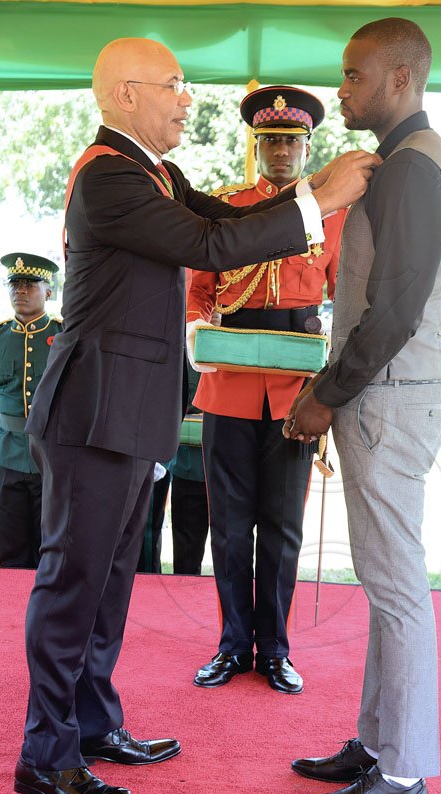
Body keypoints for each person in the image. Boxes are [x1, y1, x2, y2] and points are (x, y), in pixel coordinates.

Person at [14, 36, 379, 794]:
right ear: (125, 96)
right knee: (74, 584)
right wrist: (324, 199)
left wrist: (314, 186)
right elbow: (213, 244)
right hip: (94, 411)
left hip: (130, 408)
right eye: (175, 85)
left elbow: (226, 214)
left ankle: (92, 723)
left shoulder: (157, 172)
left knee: (110, 586)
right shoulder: (108, 177)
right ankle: (45, 754)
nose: (188, 99)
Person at [284, 18, 441, 794]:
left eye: (354, 76)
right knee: (385, 579)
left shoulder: (412, 170)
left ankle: (400, 775)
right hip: (389, 393)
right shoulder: (400, 164)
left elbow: (392, 311)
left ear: (400, 79)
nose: (342, 88)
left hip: (386, 393)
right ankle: (379, 741)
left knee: (396, 586)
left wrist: (326, 391)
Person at [188, 85, 347, 694]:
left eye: (291, 141)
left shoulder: (331, 215)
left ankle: (274, 649)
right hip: (228, 381)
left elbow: (340, 293)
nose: (280, 152)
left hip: (294, 389)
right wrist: (203, 332)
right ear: (255, 146)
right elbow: (198, 287)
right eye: (270, 141)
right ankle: (231, 647)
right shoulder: (225, 206)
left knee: (282, 527)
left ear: (308, 146)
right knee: (228, 524)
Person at [0, 254, 62, 567]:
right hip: (7, 454)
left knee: (50, 551)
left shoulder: (64, 335)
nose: (21, 291)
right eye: (14, 284)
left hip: (52, 457)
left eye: (30, 283)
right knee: (10, 551)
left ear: (48, 291)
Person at [166, 362, 209, 576]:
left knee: (235, 551)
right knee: (186, 560)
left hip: (234, 467)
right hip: (189, 462)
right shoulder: (182, 335)